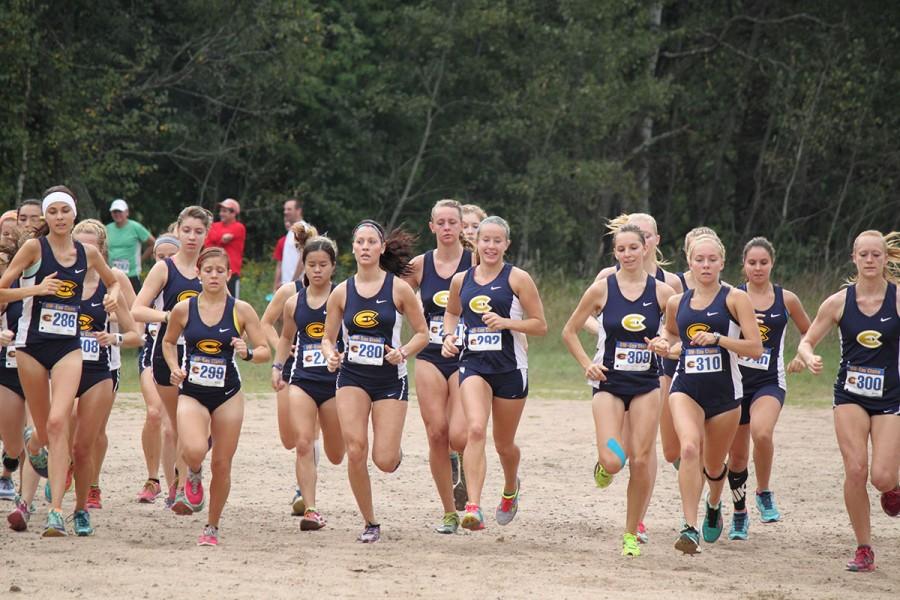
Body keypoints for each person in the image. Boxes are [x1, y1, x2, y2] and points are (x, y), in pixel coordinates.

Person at [0, 186, 121, 537]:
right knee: (45, 429)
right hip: (31, 346)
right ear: (46, 218)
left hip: (69, 347)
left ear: (73, 214)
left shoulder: (88, 253)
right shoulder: (33, 248)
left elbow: (113, 284)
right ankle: (33, 443)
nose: (58, 217)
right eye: (52, 212)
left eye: (64, 212)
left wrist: (113, 299)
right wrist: (34, 290)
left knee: (57, 423)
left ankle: (56, 512)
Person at [562, 223, 675, 557]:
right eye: (621, 249)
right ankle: (604, 464)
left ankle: (630, 532)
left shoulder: (663, 292)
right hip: (609, 384)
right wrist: (587, 364)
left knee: (641, 459)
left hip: (645, 386)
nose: (627, 254)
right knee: (615, 459)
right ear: (615, 253)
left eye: (633, 248)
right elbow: (569, 331)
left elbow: (676, 334)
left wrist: (664, 343)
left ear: (645, 250)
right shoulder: (602, 289)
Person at [797, 230, 900, 572]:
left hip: (890, 396)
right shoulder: (838, 302)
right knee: (856, 468)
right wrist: (808, 356)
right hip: (849, 395)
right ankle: (864, 548)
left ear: (886, 259)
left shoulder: (897, 299)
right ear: (853, 258)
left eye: (876, 255)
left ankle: (892, 487)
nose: (870, 260)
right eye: (864, 255)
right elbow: (807, 340)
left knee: (881, 476)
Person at [321, 220, 429, 543]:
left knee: (382, 459)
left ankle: (394, 454)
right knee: (355, 450)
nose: (366, 247)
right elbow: (327, 339)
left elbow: (423, 334)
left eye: (372, 242)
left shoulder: (398, 289)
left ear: (381, 248)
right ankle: (370, 521)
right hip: (352, 376)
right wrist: (331, 355)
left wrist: (403, 351)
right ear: (352, 248)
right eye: (360, 242)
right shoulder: (341, 292)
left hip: (389, 380)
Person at [441, 216, 548, 531]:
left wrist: (507, 323)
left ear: (506, 245)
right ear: (476, 242)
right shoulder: (462, 280)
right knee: (475, 429)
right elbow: (451, 313)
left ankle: (511, 486)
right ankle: (473, 506)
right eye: (485, 239)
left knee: (504, 444)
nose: (490, 246)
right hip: (473, 364)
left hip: (510, 369)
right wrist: (450, 337)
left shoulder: (518, 278)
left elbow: (540, 325)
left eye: (497, 240)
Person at [662, 233, 762, 554]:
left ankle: (715, 502)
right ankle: (689, 528)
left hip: (725, 394)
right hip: (685, 388)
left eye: (711, 260)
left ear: (722, 262)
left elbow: (755, 348)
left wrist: (719, 339)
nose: (705, 265)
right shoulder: (677, 302)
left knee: (715, 465)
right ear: (689, 263)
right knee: (689, 449)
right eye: (699, 260)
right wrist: (666, 345)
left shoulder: (735, 299)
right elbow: (671, 335)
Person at [164, 247, 270, 546]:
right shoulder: (184, 309)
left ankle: (211, 527)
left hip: (228, 393)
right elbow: (169, 342)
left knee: (222, 463)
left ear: (229, 274)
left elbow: (264, 351)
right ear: (198, 273)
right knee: (195, 450)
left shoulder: (242, 310)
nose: (213, 275)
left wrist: (247, 352)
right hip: (193, 392)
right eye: (207, 270)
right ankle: (193, 473)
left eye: (219, 270)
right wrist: (174, 368)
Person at [725, 237, 811, 540]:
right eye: (752, 263)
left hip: (768, 382)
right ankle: (739, 513)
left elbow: (808, 333)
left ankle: (763, 491)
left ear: (772, 263)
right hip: (735, 382)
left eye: (763, 262)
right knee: (735, 459)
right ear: (744, 265)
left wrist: (802, 355)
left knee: (761, 432)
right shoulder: (731, 297)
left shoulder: (786, 299)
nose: (758, 268)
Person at [403, 199, 474, 533]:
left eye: (452, 222)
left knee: (459, 436)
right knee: (436, 434)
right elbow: (392, 296)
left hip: (468, 357)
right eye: (440, 222)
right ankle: (449, 511)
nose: (447, 228)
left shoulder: (476, 261)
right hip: (430, 354)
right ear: (431, 226)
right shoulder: (419, 265)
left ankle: (466, 466)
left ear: (462, 227)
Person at [132, 206, 210, 507]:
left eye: (198, 231)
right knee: (172, 424)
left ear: (206, 234)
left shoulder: (210, 267)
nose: (192, 236)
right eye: (187, 230)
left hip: (204, 357)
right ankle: (176, 487)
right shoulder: (165, 268)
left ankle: (191, 471)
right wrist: (170, 318)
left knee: (200, 426)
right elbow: (137, 309)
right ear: (177, 230)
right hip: (167, 352)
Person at [67, 219, 141, 534]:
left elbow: (134, 316)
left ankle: (93, 484)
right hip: (68, 361)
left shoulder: (116, 279)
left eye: (90, 246)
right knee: (67, 420)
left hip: (104, 363)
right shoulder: (63, 278)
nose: (84, 252)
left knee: (95, 430)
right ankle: (69, 468)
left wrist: (114, 320)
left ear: (102, 249)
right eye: (78, 245)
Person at [272, 234, 344, 530]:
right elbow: (287, 336)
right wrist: (278, 366)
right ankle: (311, 509)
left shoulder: (343, 296)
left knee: (337, 454)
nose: (317, 270)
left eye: (323, 265)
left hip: (336, 381)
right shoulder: (293, 302)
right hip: (301, 378)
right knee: (303, 442)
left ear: (332, 267)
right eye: (311, 264)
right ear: (303, 266)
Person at [260, 220, 319, 514]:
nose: (315, 266)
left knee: (306, 437)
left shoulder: (337, 292)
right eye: (308, 259)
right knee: (289, 438)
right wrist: (281, 349)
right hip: (291, 367)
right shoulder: (289, 291)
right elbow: (265, 323)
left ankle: (304, 492)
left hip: (321, 372)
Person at [136, 235, 181, 503]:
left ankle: (180, 479)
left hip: (184, 358)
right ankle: (153, 479)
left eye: (168, 256)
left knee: (175, 425)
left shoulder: (190, 284)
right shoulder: (151, 287)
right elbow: (134, 315)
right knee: (155, 414)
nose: (163, 260)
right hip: (152, 357)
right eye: (158, 256)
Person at [0, 228, 26, 502]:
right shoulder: (7, 290)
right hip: (7, 367)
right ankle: (8, 466)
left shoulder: (47, 284)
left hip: (40, 366)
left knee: (35, 436)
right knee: (13, 440)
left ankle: (25, 498)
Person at [105, 199, 155, 292]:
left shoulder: (135, 227)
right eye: (114, 212)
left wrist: (141, 259)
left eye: (120, 211)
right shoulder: (107, 228)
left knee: (134, 302)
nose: (117, 214)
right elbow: (103, 249)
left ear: (127, 212)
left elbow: (153, 244)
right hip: (113, 274)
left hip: (132, 274)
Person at [205, 198, 245, 298]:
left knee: (232, 302)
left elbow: (222, 239)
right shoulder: (214, 225)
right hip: (212, 269)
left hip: (231, 272)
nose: (221, 214)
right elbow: (208, 244)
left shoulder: (238, 227)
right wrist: (219, 239)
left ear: (233, 213)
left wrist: (216, 239)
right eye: (221, 211)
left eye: (224, 211)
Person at [272, 198, 306, 290]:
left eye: (289, 209)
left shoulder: (302, 229)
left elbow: (304, 257)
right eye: (285, 209)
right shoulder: (291, 231)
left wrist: (294, 282)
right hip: (289, 285)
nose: (285, 212)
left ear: (298, 211)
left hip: (299, 286)